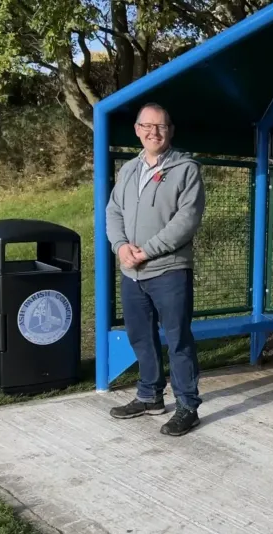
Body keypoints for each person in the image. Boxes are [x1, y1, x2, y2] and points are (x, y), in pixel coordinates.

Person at [105, 102, 206, 437]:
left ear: (170, 131)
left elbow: (186, 221)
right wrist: (121, 247)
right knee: (140, 336)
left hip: (169, 270)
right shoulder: (129, 170)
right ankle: (149, 396)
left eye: (160, 126)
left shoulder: (186, 169)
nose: (153, 132)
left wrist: (146, 250)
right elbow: (113, 213)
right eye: (146, 126)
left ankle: (187, 405)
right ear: (137, 130)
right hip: (132, 272)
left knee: (178, 339)